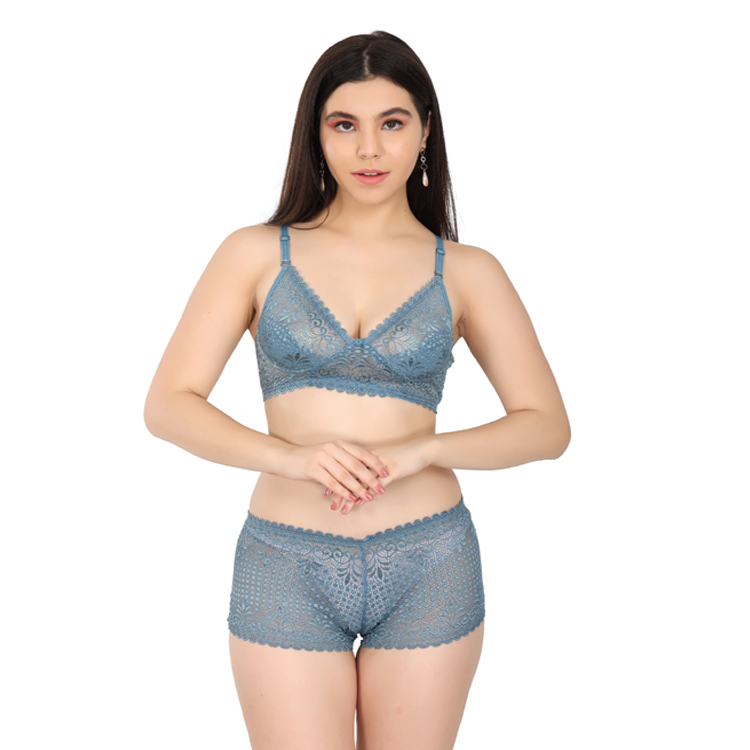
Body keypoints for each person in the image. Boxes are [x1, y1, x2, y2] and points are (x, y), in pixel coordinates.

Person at [144, 30, 570, 750]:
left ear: (426, 131)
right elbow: (168, 404)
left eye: (391, 123)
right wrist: (292, 458)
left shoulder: (468, 270)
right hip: (286, 559)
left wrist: (421, 450)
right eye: (345, 125)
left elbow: (546, 426)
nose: (369, 149)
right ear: (316, 135)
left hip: (430, 558)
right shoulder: (256, 252)